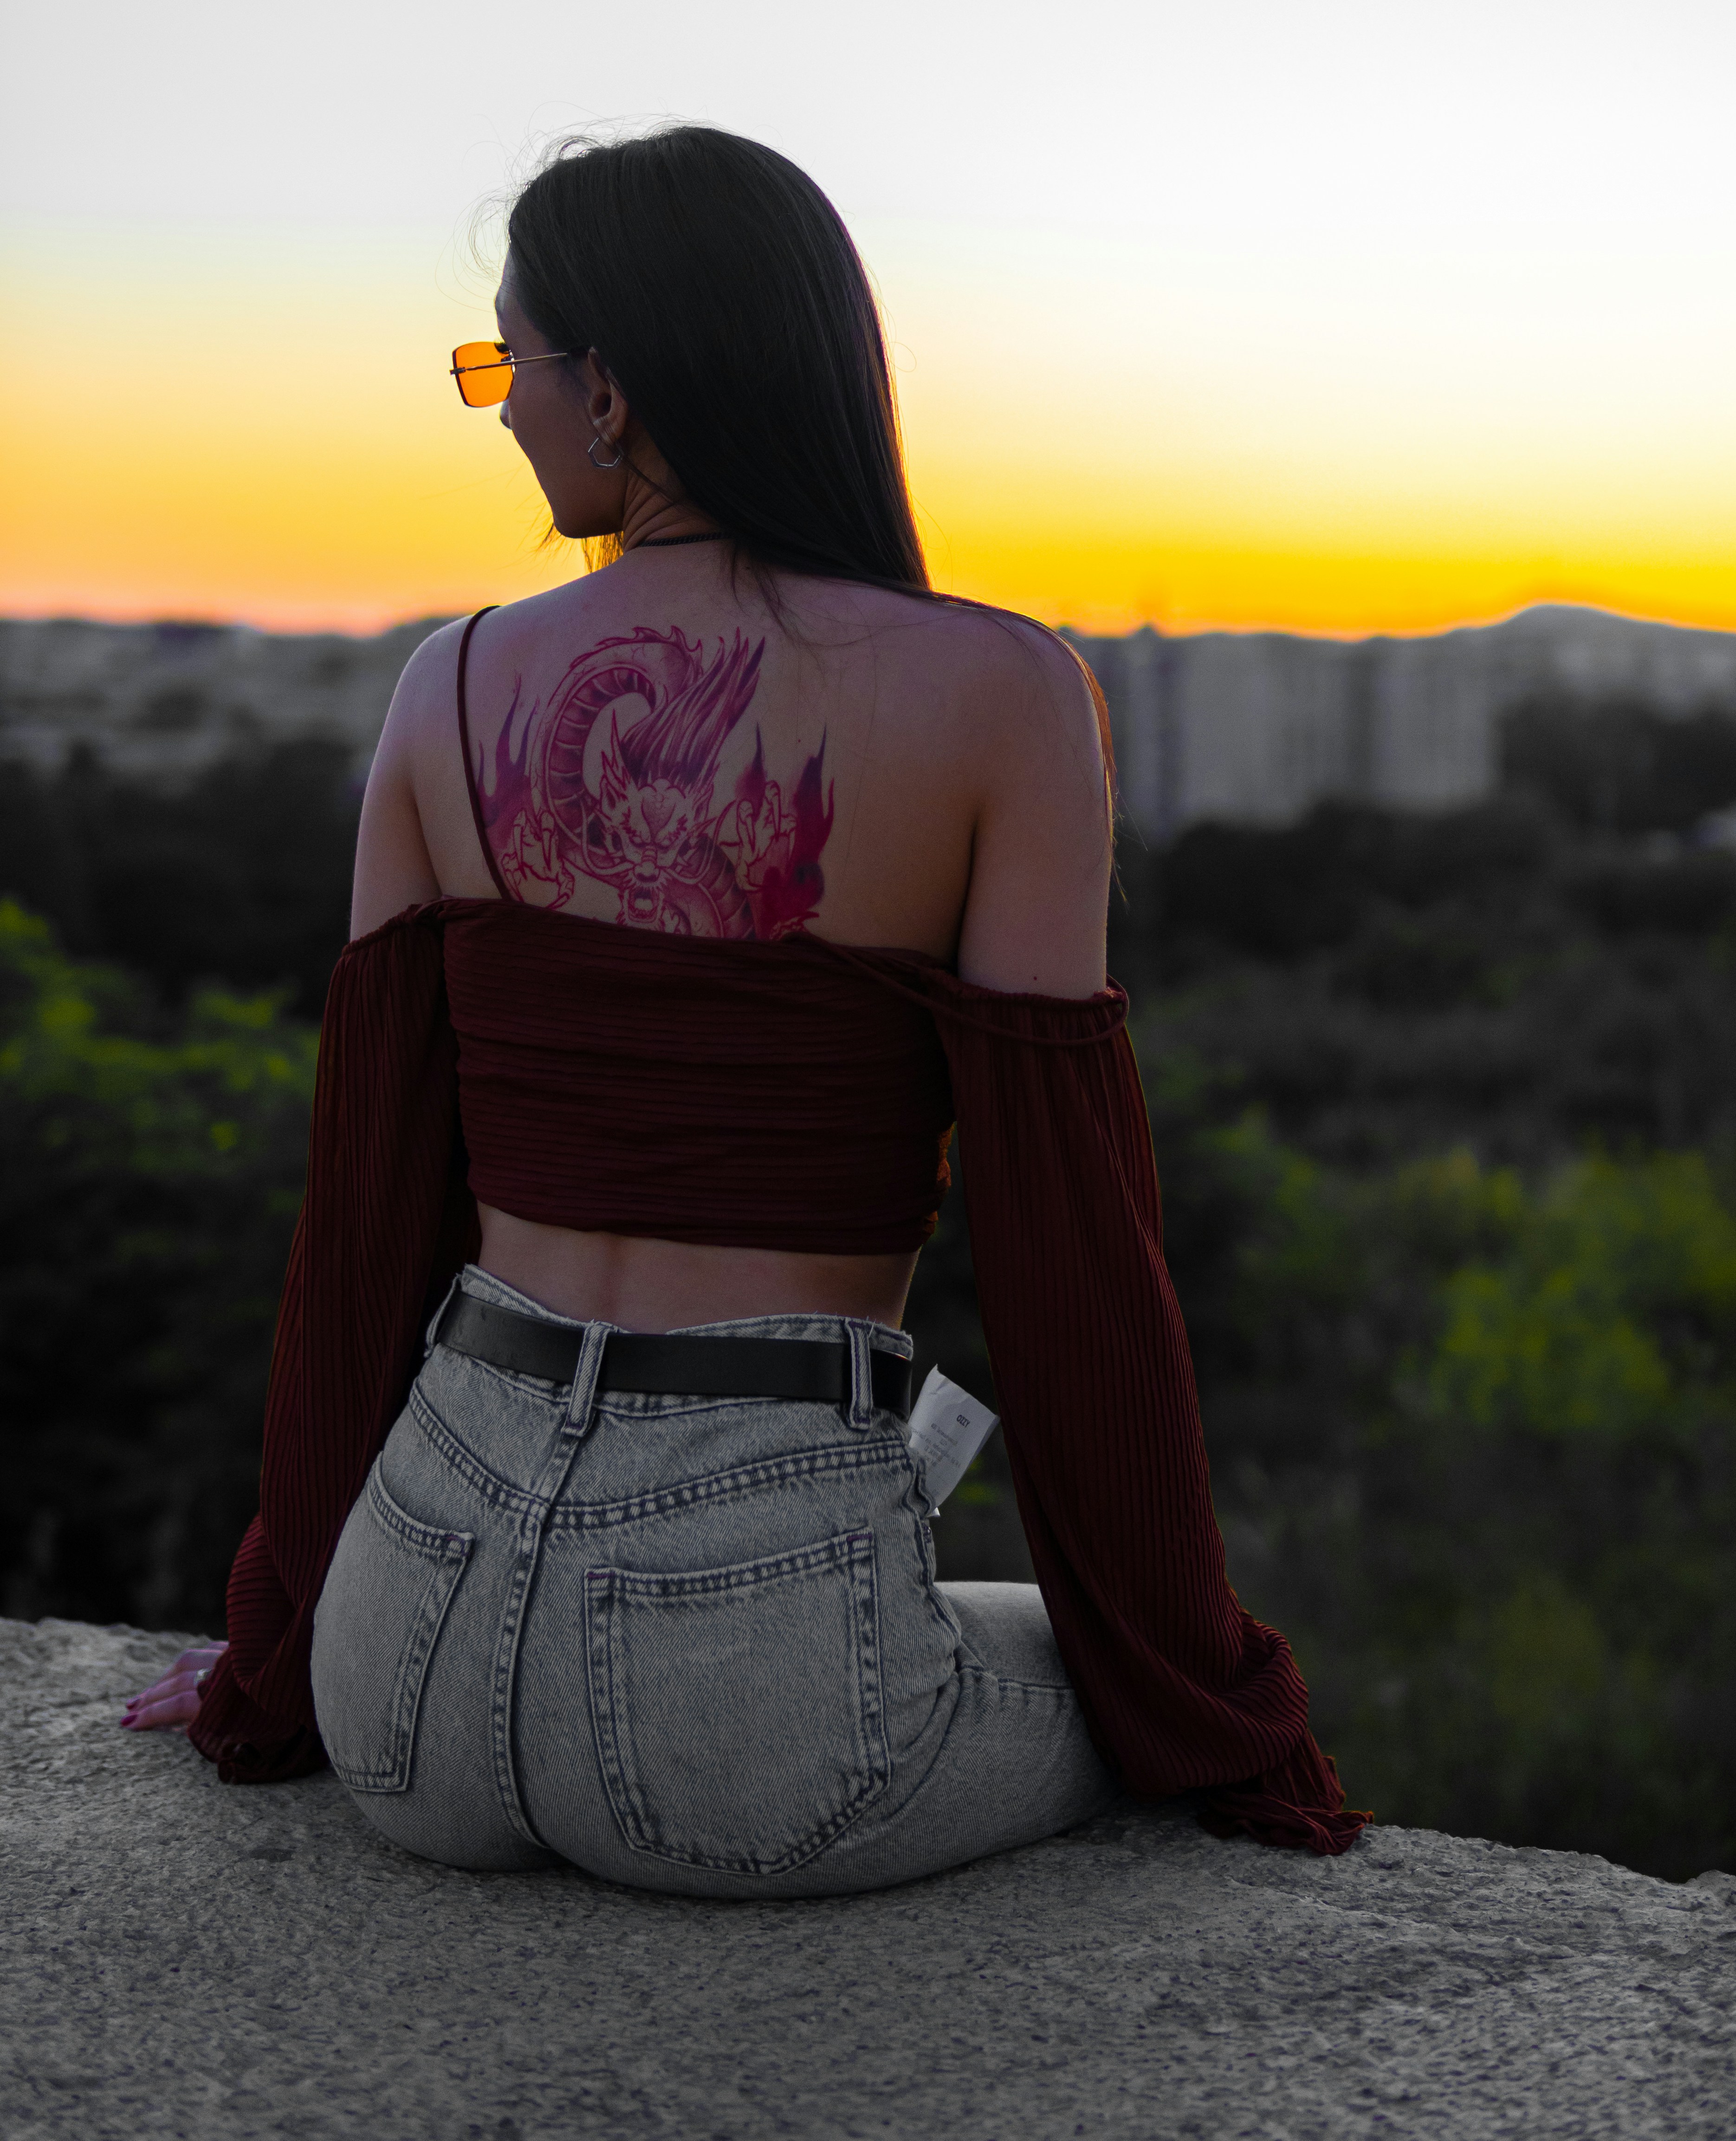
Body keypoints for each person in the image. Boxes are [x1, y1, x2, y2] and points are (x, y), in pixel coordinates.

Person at [125, 125, 1365, 1892]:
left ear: (611, 387)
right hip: (754, 1681)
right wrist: (1216, 1701)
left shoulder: (447, 686)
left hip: (408, 1654)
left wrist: (275, 1663)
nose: (499, 409)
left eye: (508, 364)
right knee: (1118, 1680)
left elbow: (365, 1226)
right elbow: (1066, 1245)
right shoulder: (1002, 695)